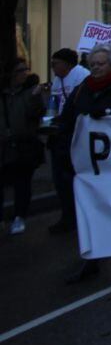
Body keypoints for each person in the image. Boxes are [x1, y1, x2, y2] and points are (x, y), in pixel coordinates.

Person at [57, 44, 111, 282]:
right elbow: (66, 122)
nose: (95, 68)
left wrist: (109, 112)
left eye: (100, 63)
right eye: (92, 64)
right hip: (90, 166)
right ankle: (92, 259)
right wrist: (64, 151)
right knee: (92, 211)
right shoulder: (80, 90)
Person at [45, 48, 90, 234]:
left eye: (55, 63)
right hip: (60, 134)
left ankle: (81, 218)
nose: (52, 67)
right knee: (61, 180)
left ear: (67, 64)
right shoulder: (58, 80)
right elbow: (55, 104)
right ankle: (67, 216)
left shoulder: (82, 76)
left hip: (77, 135)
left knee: (74, 179)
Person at [1, 60, 45, 235]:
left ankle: (19, 216)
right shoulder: (4, 94)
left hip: (23, 145)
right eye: (21, 70)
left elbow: (36, 113)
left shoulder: (29, 93)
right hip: (4, 145)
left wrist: (35, 97)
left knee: (22, 183)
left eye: (26, 70)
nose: (25, 73)